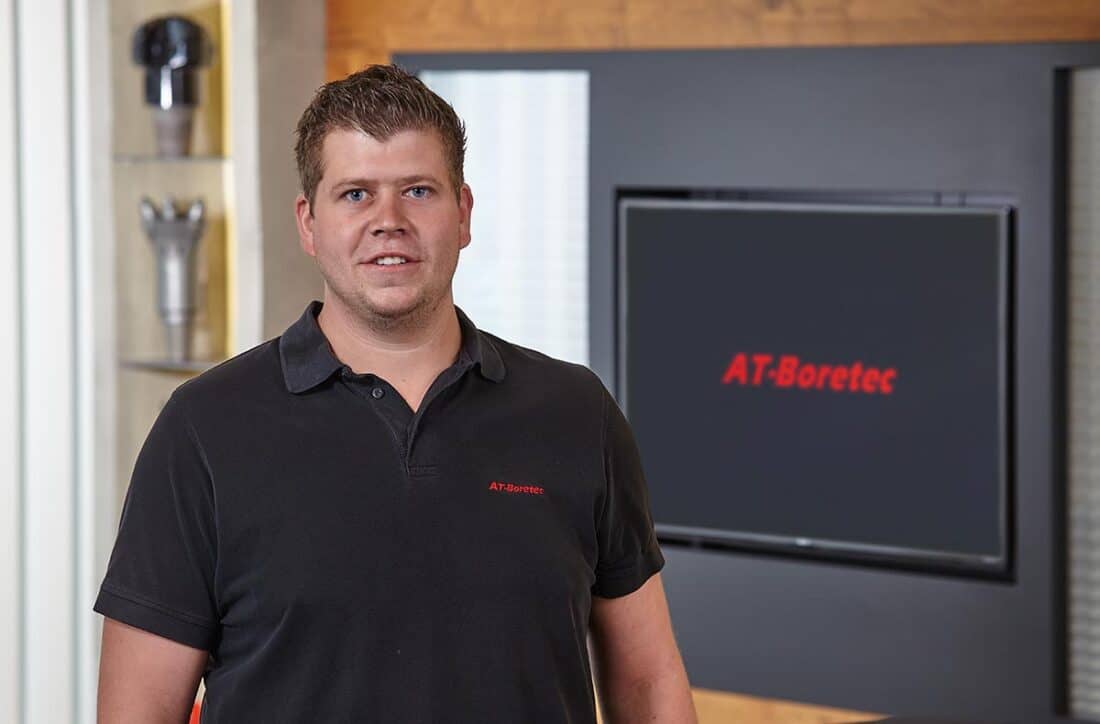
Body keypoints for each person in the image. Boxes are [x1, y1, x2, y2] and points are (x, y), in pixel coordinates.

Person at [94, 64, 697, 723]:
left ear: (462, 213)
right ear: (308, 223)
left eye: (417, 190)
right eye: (355, 194)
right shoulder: (204, 428)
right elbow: (138, 710)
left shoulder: (579, 414)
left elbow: (648, 686)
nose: (389, 220)